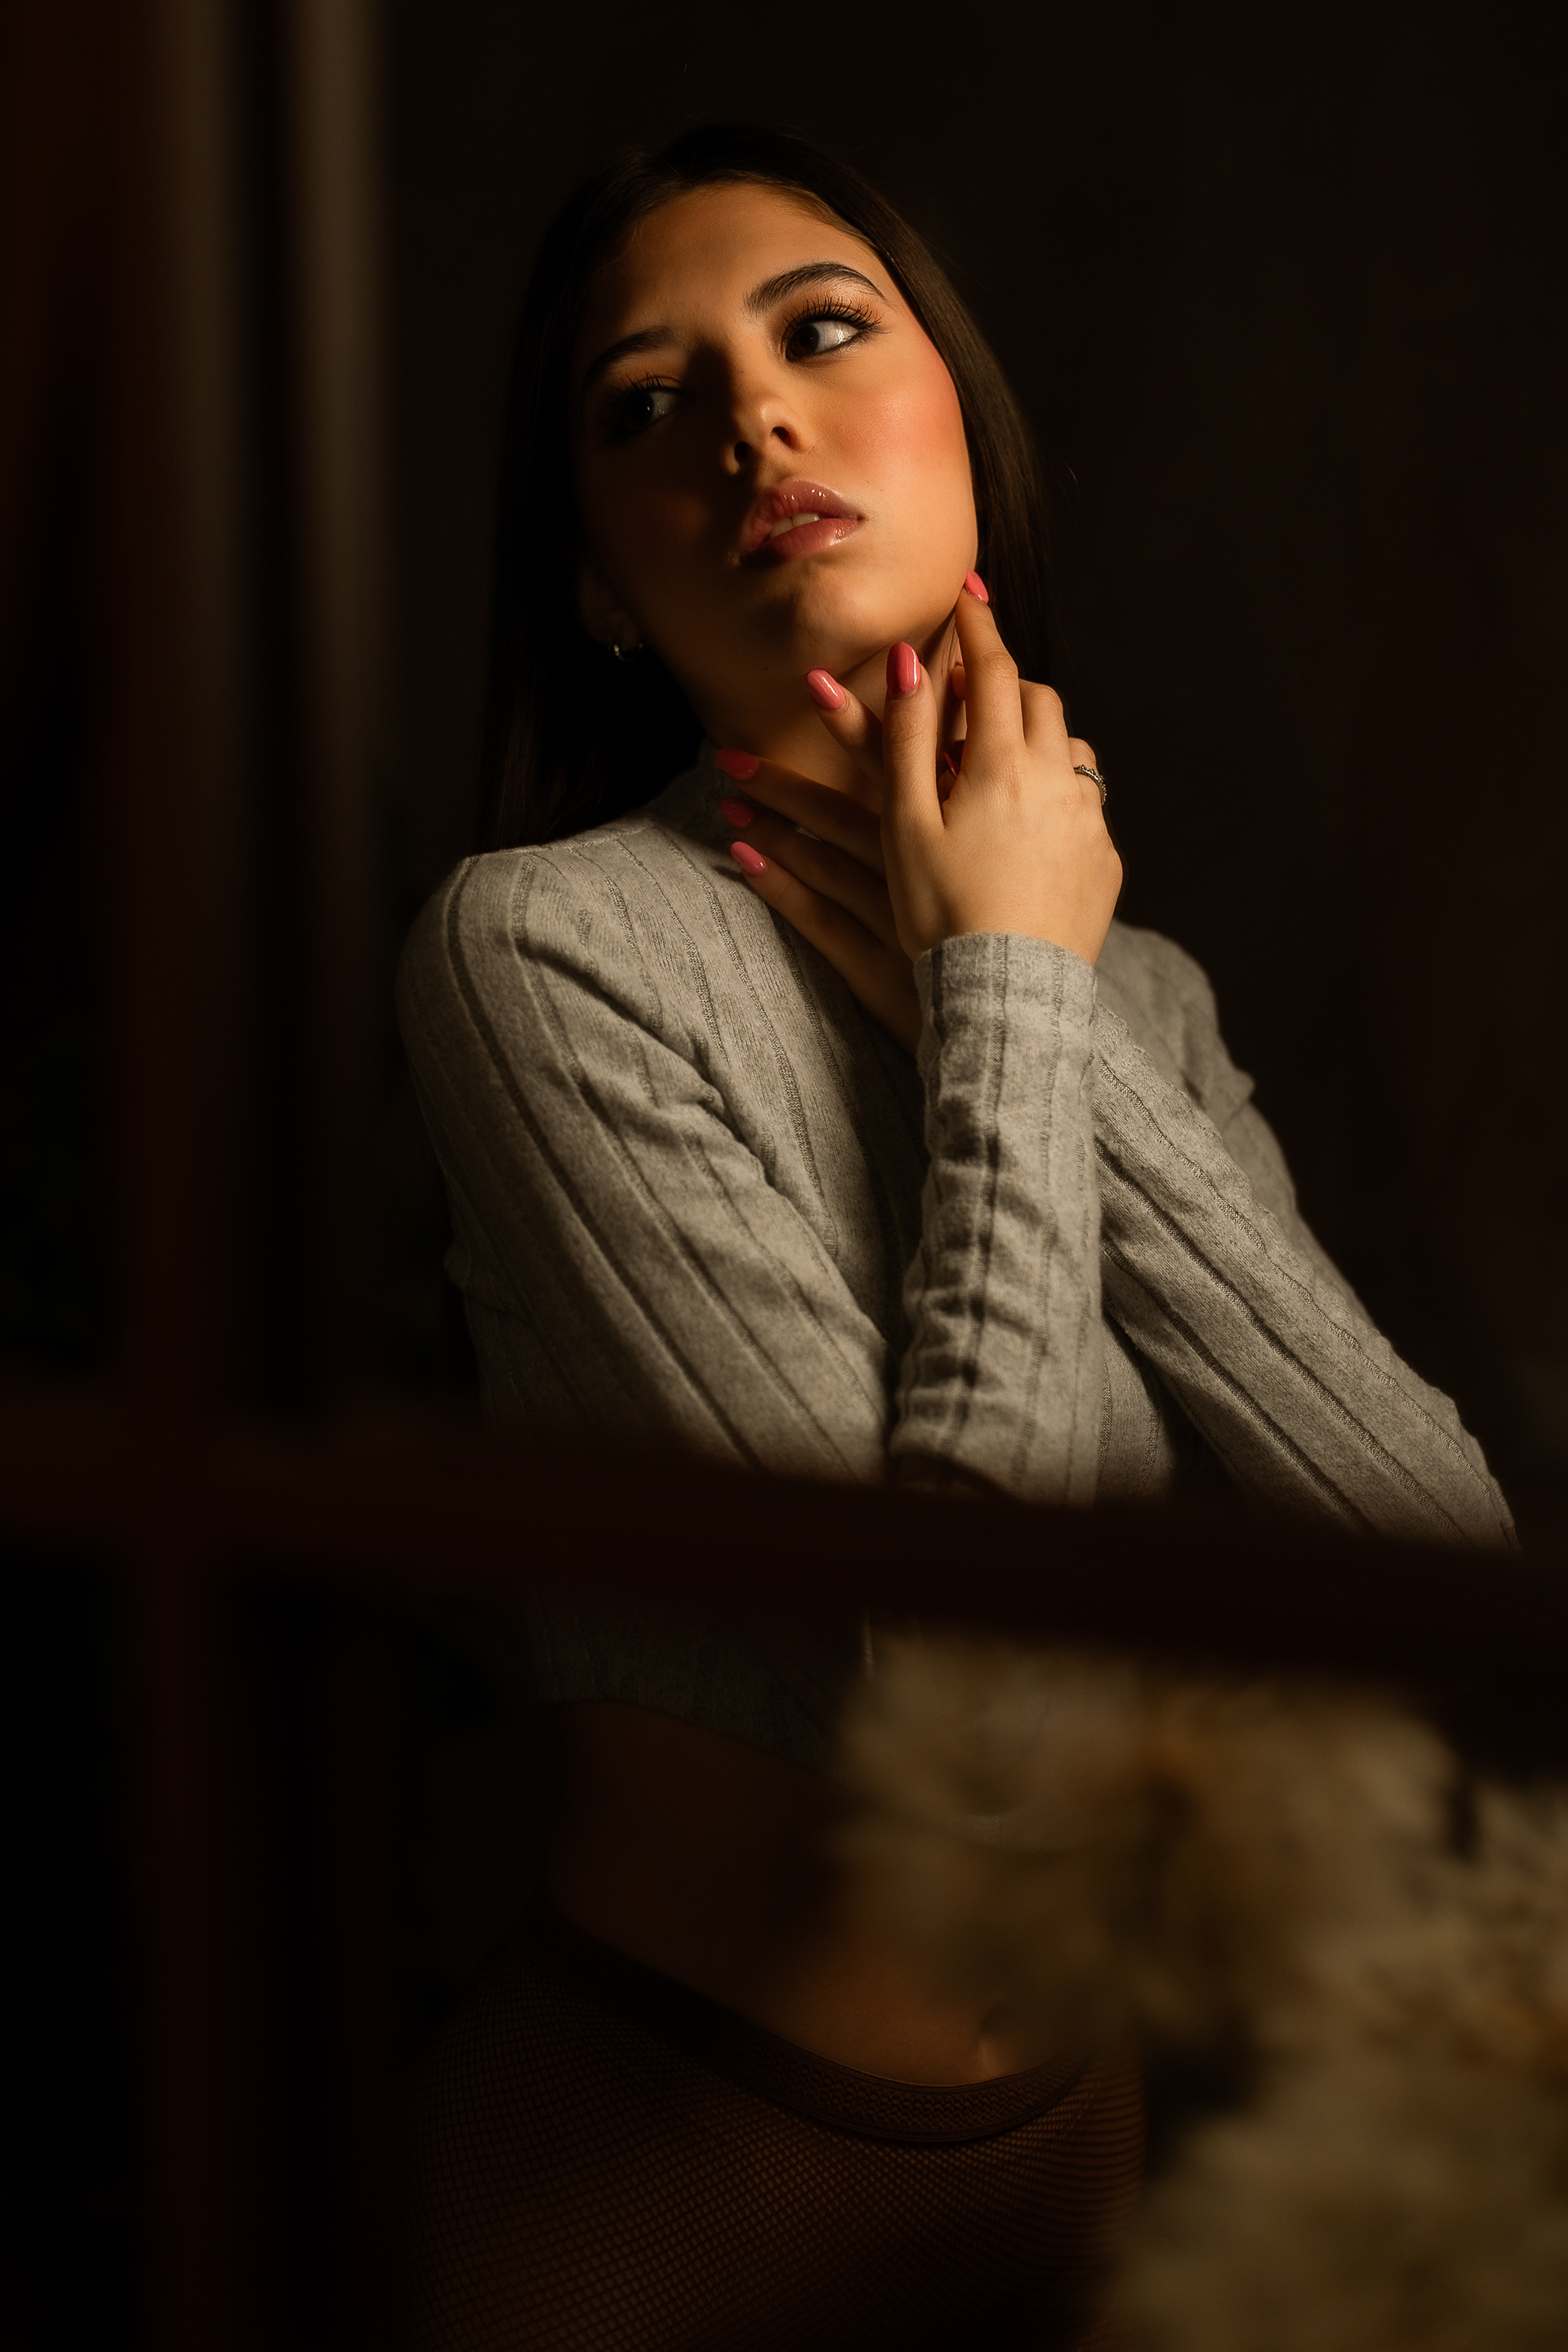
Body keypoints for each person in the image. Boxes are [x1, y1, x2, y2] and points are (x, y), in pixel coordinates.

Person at [396, 124, 1514, 2352]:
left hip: (1075, 2153)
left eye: (820, 333)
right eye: (647, 401)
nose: (752, 420)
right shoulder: (543, 954)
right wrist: (1001, 981)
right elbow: (968, 1739)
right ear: (600, 581)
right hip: (680, 2182)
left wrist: (1022, 988)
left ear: (967, 442)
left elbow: (1439, 1565)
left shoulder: (1136, 988)